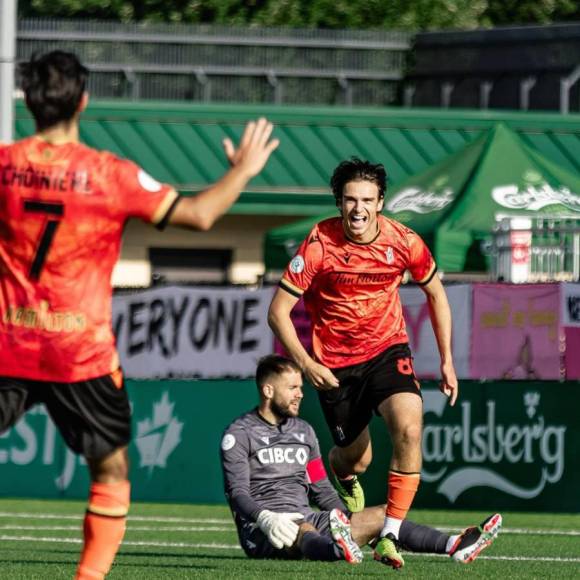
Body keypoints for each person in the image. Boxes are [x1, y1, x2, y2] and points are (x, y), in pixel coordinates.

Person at [0, 51, 279, 580]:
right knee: (110, 470)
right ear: (83, 100)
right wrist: (241, 170)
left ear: (29, 102)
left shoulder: (4, 166)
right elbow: (201, 215)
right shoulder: (110, 174)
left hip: (7, 343)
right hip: (79, 352)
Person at [268, 158, 459, 568]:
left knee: (409, 427)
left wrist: (447, 361)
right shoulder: (319, 243)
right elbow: (278, 311)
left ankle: (389, 535)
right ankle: (346, 474)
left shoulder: (404, 241)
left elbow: (437, 295)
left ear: (381, 202)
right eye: (351, 200)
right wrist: (305, 363)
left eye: (367, 200)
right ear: (339, 203)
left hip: (389, 350)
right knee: (356, 458)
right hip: (335, 365)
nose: (359, 209)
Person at [220, 355, 501, 566]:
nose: (300, 394)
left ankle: (455, 545)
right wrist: (265, 518)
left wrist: (345, 518)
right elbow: (238, 493)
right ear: (268, 391)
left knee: (381, 515)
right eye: (292, 388)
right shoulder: (239, 433)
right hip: (265, 529)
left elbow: (319, 486)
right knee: (304, 529)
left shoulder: (303, 432)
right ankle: (335, 549)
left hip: (307, 517)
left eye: (300, 387)